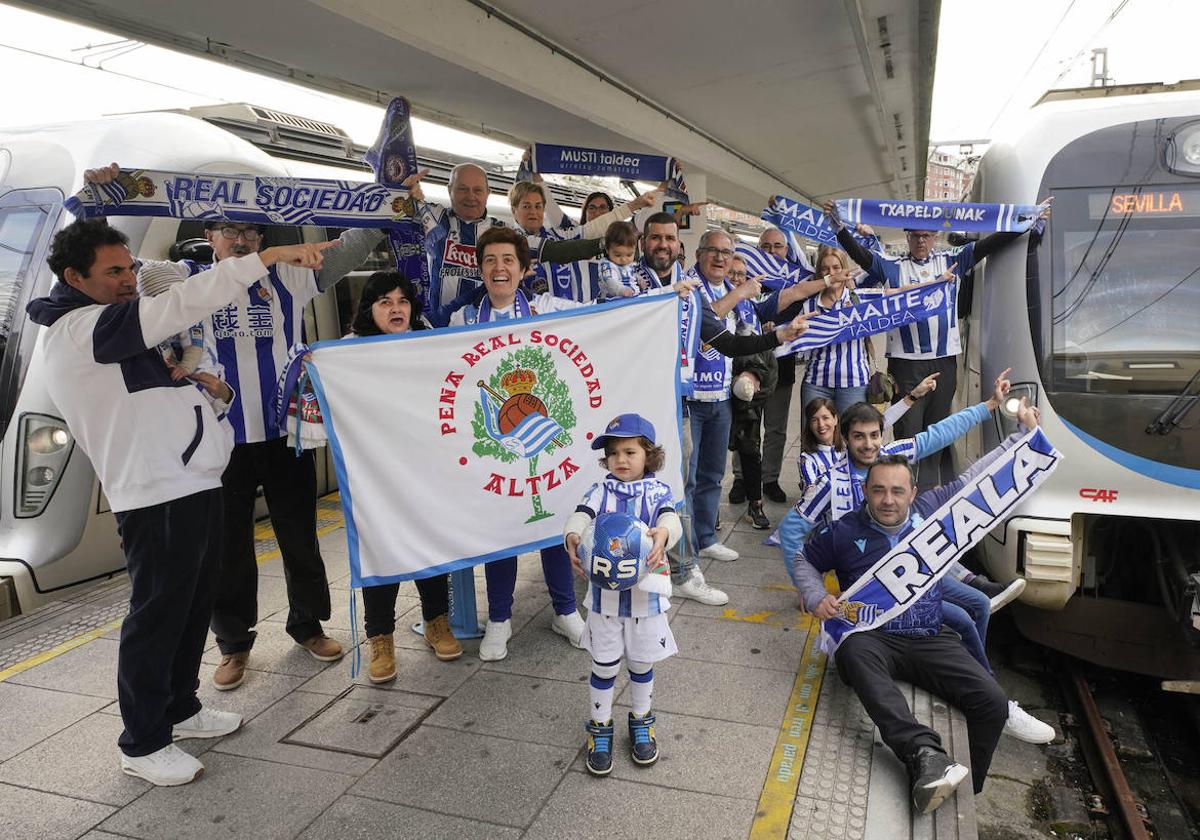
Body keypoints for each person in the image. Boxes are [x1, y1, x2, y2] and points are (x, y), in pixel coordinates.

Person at [28, 217, 332, 785]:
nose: (128, 279)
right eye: (113, 271)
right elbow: (181, 303)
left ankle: (181, 708)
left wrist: (213, 397)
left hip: (190, 478)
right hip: (154, 491)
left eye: (129, 267)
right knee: (158, 614)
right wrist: (264, 260)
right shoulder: (81, 328)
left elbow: (160, 394)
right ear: (74, 277)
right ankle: (141, 741)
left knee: (193, 603)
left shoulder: (109, 327)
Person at [82, 162, 386, 692]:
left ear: (262, 236)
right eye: (230, 231)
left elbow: (355, 246)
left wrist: (388, 196)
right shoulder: (177, 279)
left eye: (250, 231)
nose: (242, 240)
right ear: (209, 237)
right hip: (216, 440)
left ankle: (308, 626)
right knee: (226, 547)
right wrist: (104, 193)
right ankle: (235, 644)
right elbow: (105, 258)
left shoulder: (289, 273)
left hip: (284, 430)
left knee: (300, 533)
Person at [796, 451, 1013, 814]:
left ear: (913, 493)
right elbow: (805, 559)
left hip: (928, 633)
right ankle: (924, 754)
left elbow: (976, 479)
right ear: (865, 490)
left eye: (897, 491)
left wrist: (1018, 438)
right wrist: (815, 595)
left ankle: (965, 795)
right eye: (878, 490)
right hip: (871, 636)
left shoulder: (929, 512)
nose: (887, 500)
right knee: (853, 653)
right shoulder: (844, 530)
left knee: (993, 703)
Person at [823, 198, 1051, 488]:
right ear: (907, 236)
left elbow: (991, 243)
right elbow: (862, 256)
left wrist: (1027, 220)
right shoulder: (892, 265)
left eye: (927, 235)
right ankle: (900, 490)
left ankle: (927, 494)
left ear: (936, 237)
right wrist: (839, 227)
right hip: (906, 363)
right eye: (915, 235)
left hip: (944, 361)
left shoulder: (952, 258)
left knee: (938, 431)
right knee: (908, 433)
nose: (921, 241)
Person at [343, 272, 463, 681]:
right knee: (382, 552)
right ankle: (380, 637)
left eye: (402, 301)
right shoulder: (347, 353)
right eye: (384, 302)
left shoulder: (427, 344)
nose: (396, 309)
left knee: (431, 545)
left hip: (424, 468)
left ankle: (436, 621)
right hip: (373, 476)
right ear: (369, 309)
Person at [564, 414, 682, 775]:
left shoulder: (658, 491)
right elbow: (581, 517)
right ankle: (600, 726)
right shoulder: (600, 491)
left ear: (649, 454)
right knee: (604, 664)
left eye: (630, 451)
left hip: (646, 601)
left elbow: (669, 518)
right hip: (605, 601)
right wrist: (572, 536)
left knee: (642, 663)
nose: (621, 459)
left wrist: (664, 534)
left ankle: (641, 721)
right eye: (614, 452)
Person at [596, 221, 642, 299]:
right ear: (607, 249)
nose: (624, 260)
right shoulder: (607, 266)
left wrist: (640, 279)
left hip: (632, 298)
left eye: (629, 255)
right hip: (612, 302)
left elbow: (633, 274)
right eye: (618, 255)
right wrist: (622, 290)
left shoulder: (631, 264)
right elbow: (610, 282)